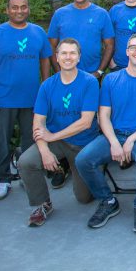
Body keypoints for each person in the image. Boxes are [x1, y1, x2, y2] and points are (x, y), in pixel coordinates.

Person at [75, 34, 136, 232]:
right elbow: (103, 116)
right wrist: (114, 142)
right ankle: (108, 201)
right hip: (114, 134)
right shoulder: (111, 79)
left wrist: (131, 140)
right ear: (126, 52)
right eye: (133, 47)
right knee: (83, 159)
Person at [0, 0, 52, 200]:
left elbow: (45, 61)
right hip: (3, 98)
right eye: (14, 7)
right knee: (1, 140)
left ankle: (26, 174)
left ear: (28, 9)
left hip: (31, 98)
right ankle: (3, 178)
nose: (19, 11)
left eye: (23, 7)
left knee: (31, 139)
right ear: (7, 10)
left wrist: (44, 90)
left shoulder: (38, 32)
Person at [19, 39, 98, 226]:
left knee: (84, 198)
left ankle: (83, 169)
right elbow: (38, 122)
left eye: (72, 53)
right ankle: (42, 204)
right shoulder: (47, 86)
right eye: (64, 53)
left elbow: (86, 122)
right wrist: (45, 151)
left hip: (82, 142)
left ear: (79, 57)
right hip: (56, 141)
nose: (68, 57)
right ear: (57, 57)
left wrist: (51, 137)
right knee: (27, 161)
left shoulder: (89, 82)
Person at [48, 0, 114, 78]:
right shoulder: (59, 14)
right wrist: (58, 71)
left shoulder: (102, 14)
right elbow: (51, 46)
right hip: (65, 74)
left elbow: (110, 45)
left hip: (92, 75)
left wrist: (99, 72)